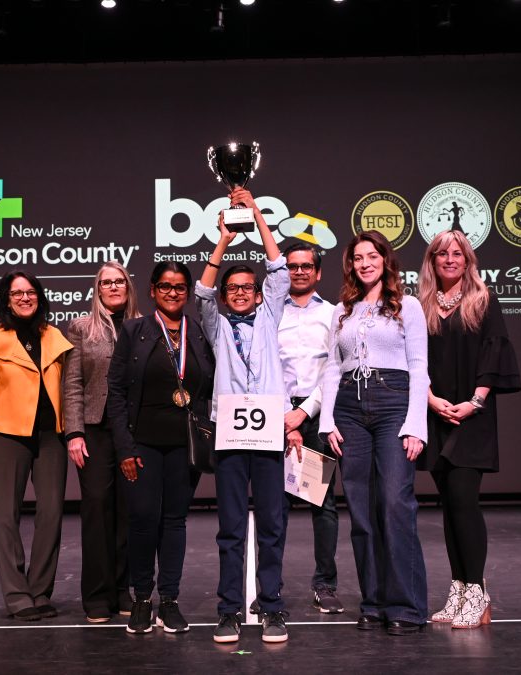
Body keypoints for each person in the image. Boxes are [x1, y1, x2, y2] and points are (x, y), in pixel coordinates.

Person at [319, 231, 430, 636]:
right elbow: (332, 367)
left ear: (385, 260)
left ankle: (406, 606)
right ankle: (374, 602)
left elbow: (419, 367)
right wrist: (327, 420)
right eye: (357, 258)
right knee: (362, 511)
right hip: (349, 408)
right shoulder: (342, 310)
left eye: (372, 256)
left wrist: (416, 424)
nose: (365, 263)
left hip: (392, 404)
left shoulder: (408, 306)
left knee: (395, 505)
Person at [195, 187, 291, 644]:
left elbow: (279, 269)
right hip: (231, 434)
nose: (239, 294)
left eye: (246, 288)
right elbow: (201, 290)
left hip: (270, 429)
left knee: (272, 525)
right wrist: (223, 242)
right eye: (232, 288)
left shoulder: (270, 316)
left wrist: (254, 213)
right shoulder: (214, 324)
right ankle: (229, 609)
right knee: (231, 528)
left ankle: (271, 607)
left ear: (257, 295)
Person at [416, 230, 521, 629]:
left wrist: (475, 401)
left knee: (464, 502)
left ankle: (477, 592)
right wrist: (430, 400)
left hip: (471, 416)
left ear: (467, 259)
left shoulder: (483, 300)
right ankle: (459, 588)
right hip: (437, 413)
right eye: (441, 254)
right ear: (432, 261)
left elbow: (495, 351)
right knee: (449, 508)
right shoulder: (421, 304)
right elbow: (414, 360)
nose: (449, 260)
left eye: (456, 254)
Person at [107, 261, 214, 634]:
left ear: (187, 292)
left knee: (174, 521)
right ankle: (140, 599)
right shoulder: (134, 331)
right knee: (142, 520)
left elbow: (209, 388)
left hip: (185, 447)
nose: (173, 293)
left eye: (180, 287)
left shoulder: (197, 333)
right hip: (142, 446)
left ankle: (169, 600)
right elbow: (116, 393)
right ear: (152, 290)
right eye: (165, 286)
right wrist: (124, 448)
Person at [0, 271, 73, 621]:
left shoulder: (54, 335)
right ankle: (17, 596)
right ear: (6, 298)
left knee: (51, 513)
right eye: (17, 293)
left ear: (39, 296)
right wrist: (1, 421)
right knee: (6, 515)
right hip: (7, 434)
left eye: (31, 292)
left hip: (51, 437)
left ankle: (40, 591)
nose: (25, 298)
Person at [61, 261, 141, 623]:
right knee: (96, 509)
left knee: (128, 513)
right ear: (97, 288)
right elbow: (73, 383)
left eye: (118, 281)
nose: (112, 287)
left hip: (133, 432)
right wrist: (74, 432)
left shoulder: (144, 326)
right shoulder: (81, 328)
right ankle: (96, 594)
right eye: (106, 282)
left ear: (128, 286)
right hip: (93, 430)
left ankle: (123, 590)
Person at [277, 241, 344, 614]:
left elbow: (333, 372)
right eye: (292, 265)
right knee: (277, 506)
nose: (299, 271)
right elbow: (266, 367)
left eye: (306, 266)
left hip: (318, 415)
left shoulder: (334, 315)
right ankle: (271, 588)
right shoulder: (270, 313)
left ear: (317, 272)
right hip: (277, 416)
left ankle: (325, 585)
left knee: (323, 504)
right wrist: (288, 418)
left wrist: (302, 414)